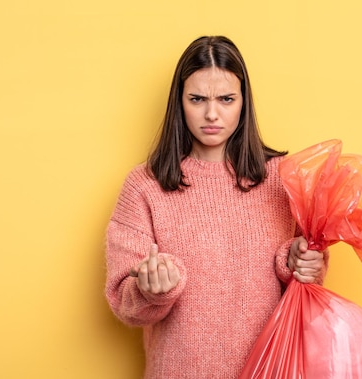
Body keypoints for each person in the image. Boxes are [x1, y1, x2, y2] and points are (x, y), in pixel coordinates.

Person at [105, 35, 328, 379]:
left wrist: (304, 261)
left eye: (226, 99)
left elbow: (306, 269)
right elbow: (125, 302)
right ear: (179, 102)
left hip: (272, 369)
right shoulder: (144, 186)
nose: (212, 114)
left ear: (244, 101)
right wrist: (150, 290)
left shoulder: (284, 177)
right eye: (197, 99)